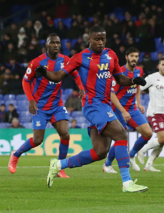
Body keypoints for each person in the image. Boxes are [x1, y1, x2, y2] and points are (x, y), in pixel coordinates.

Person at [34, 26, 148, 192]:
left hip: (105, 105)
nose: (100, 42)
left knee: (100, 151)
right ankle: (127, 183)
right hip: (92, 105)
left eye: (103, 39)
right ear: (89, 39)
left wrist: (134, 81)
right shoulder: (80, 58)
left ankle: (58, 164)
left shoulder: (111, 55)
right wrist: (45, 72)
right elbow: (59, 75)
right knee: (121, 134)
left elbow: (120, 79)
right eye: (97, 39)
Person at [8, 33, 85, 179]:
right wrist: (31, 99)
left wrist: (81, 86)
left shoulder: (65, 60)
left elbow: (75, 72)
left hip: (56, 104)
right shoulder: (37, 62)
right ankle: (16, 154)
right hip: (40, 106)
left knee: (65, 134)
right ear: (47, 45)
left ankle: (59, 167)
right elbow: (25, 81)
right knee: (37, 140)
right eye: (53, 43)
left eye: (58, 43)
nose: (56, 45)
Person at [103, 47, 153, 173]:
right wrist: (123, 111)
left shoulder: (139, 71)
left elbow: (137, 87)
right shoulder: (119, 72)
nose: (134, 58)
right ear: (126, 57)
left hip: (132, 108)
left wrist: (139, 103)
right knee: (121, 138)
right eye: (132, 56)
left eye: (136, 56)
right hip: (119, 109)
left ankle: (131, 155)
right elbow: (112, 95)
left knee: (148, 133)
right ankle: (107, 164)